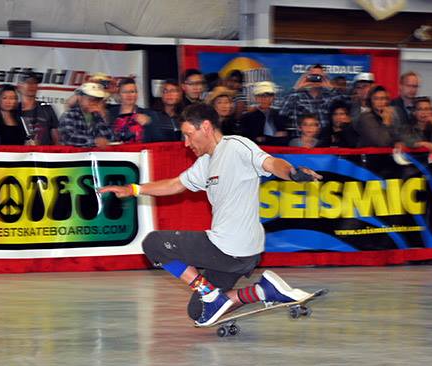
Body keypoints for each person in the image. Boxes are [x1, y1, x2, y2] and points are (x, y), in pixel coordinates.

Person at [99, 103, 322, 326]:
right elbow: (176, 184)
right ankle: (261, 291)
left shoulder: (235, 146)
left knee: (154, 243)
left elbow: (271, 163)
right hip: (234, 253)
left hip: (231, 245)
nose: (186, 143)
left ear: (205, 127)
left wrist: (292, 172)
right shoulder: (206, 162)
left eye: (189, 135)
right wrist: (133, 189)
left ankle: (211, 295)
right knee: (198, 311)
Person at [279, 64, 338, 135]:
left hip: (325, 138)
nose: (316, 79)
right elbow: (282, 112)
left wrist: (330, 87)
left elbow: (342, 105)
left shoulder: (329, 96)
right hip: (301, 138)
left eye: (319, 76)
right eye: (313, 76)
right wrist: (297, 87)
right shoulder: (297, 96)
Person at [58, 82, 114, 148]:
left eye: (97, 100)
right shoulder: (70, 114)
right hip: (74, 154)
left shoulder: (96, 115)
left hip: (93, 154)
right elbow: (68, 138)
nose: (93, 103)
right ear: (80, 98)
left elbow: (110, 137)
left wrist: (103, 116)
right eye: (90, 99)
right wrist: (94, 141)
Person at [240, 81, 289, 146]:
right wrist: (271, 138)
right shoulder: (248, 117)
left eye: (268, 96)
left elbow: (285, 138)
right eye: (261, 96)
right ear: (256, 98)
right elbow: (250, 139)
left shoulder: (280, 115)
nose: (265, 99)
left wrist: (264, 139)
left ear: (273, 97)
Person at [107, 78, 153, 143]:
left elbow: (158, 138)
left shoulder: (147, 114)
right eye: (125, 92)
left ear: (136, 94)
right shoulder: (109, 113)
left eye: (132, 92)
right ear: (119, 94)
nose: (129, 95)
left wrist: (149, 122)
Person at [18, 72, 59, 145]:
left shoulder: (46, 107)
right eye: (28, 82)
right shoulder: (14, 109)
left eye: (34, 83)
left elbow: (56, 138)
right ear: (20, 86)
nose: (32, 86)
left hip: (45, 151)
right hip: (19, 151)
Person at [401, 97, 432, 163]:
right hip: (413, 161)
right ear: (414, 112)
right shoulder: (407, 125)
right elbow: (408, 142)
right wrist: (424, 144)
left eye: (427, 109)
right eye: (420, 109)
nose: (424, 112)